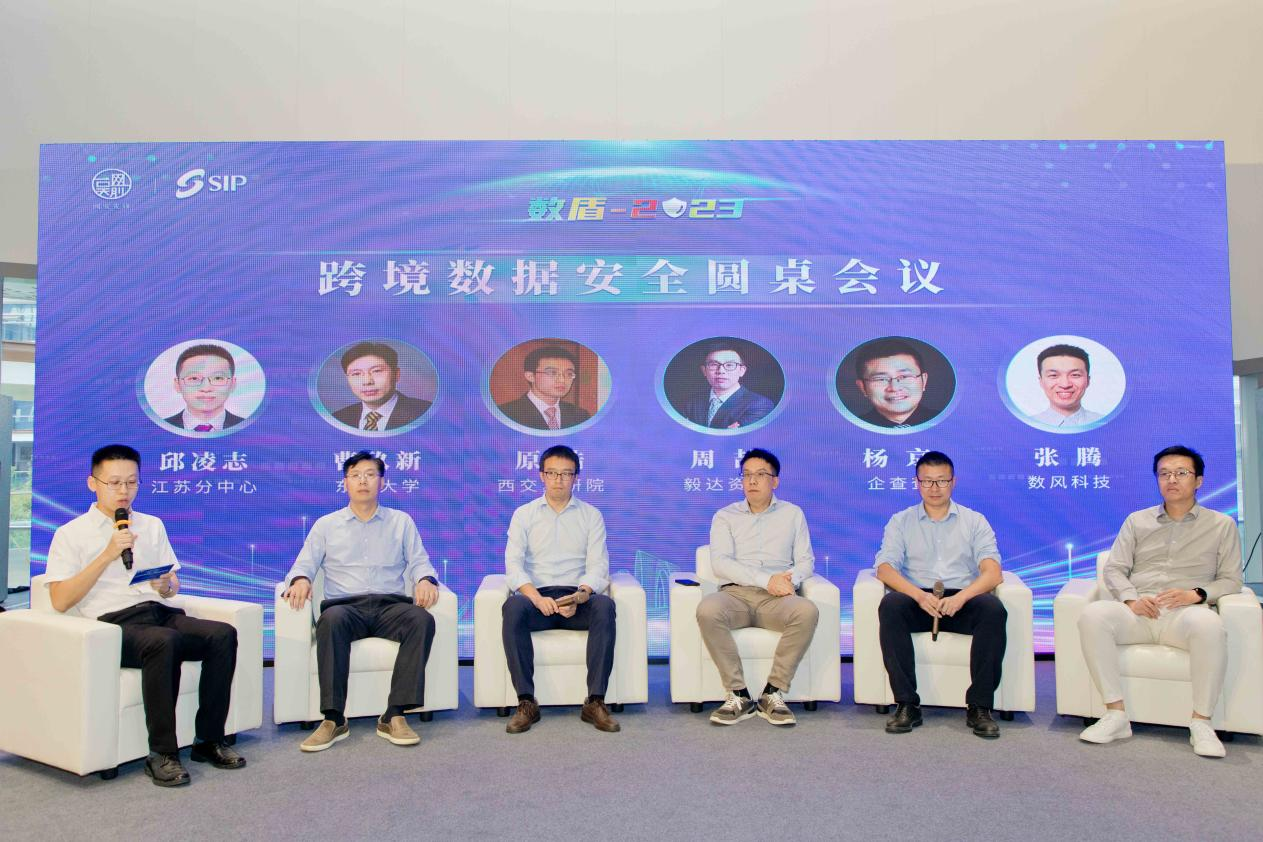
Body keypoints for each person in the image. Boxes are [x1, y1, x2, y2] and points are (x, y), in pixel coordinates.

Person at [45, 444, 243, 786]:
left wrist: (166, 585)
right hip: (112, 625)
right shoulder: (70, 533)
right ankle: (162, 754)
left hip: (158, 612)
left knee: (222, 634)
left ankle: (209, 740)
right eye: (114, 483)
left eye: (131, 482)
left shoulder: (152, 525)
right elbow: (60, 599)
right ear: (93, 483)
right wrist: (107, 554)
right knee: (163, 642)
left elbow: (172, 584)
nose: (124, 490)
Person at [1077, 445, 1242, 758]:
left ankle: (1201, 722)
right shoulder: (1137, 521)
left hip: (1184, 614)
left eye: (1181, 473)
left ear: (1199, 480)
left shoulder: (1221, 525)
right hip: (1140, 612)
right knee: (1093, 615)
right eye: (1164, 474)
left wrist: (1197, 594)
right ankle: (1115, 714)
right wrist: (1131, 600)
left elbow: (1231, 579)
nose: (1172, 480)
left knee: (1208, 624)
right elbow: (1115, 569)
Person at [282, 451, 440, 751]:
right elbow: (304, 564)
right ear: (345, 483)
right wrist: (300, 579)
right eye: (355, 475)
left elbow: (420, 561)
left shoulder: (401, 522)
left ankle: (394, 713)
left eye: (370, 475)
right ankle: (333, 718)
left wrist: (425, 580)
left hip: (389, 606)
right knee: (330, 621)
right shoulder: (326, 525)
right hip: (345, 608)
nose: (362, 481)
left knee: (422, 619)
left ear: (382, 482)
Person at [874, 450, 1007, 738]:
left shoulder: (974, 521)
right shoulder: (901, 521)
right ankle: (907, 704)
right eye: (927, 481)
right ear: (917, 483)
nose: (934, 488)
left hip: (961, 598)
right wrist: (919, 596)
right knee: (891, 605)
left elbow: (993, 573)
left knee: (993, 609)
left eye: (942, 481)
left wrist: (961, 598)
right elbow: (884, 568)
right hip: (918, 599)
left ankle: (980, 706)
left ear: (953, 482)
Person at [501, 444, 618, 733]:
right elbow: (513, 566)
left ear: (576, 477)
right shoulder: (524, 515)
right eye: (552, 473)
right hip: (537, 599)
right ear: (541, 475)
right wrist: (536, 598)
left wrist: (581, 595)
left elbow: (598, 565)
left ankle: (595, 701)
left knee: (604, 606)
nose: (559, 480)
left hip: (575, 598)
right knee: (513, 607)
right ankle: (526, 702)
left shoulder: (591, 515)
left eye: (566, 474)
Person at [697, 448, 817, 726]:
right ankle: (738, 694)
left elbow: (806, 561)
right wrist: (766, 580)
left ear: (775, 481)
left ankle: (772, 692)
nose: (752, 481)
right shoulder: (725, 516)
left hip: (778, 599)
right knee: (707, 610)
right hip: (735, 595)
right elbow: (721, 563)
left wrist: (788, 580)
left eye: (760, 475)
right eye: (746, 475)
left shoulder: (792, 514)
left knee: (807, 611)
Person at [331, 341, 432, 431]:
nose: (367, 381)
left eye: (376, 371)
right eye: (356, 374)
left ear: (396, 374)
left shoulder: (426, 413)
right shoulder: (338, 418)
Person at [680, 343, 775, 429]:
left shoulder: (760, 404)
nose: (721, 371)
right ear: (704, 370)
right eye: (713, 364)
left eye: (729, 365)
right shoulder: (691, 403)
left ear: (742, 371)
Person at [497, 346, 592, 430]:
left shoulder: (581, 416)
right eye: (552, 372)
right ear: (530, 376)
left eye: (569, 374)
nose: (562, 380)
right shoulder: (505, 414)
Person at [851, 338, 937, 428]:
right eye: (881, 379)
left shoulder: (946, 426)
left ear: (924, 380)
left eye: (904, 377)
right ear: (862, 387)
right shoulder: (850, 429)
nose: (894, 388)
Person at [164, 344, 245, 432]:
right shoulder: (157, 430)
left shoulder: (250, 430)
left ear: (232, 384)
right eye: (194, 378)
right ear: (177, 385)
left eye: (217, 378)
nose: (206, 388)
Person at [1029, 343, 1102, 427]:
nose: (1065, 385)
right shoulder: (1026, 426)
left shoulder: (1106, 424)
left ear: (1088, 381)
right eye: (1053, 375)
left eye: (1075, 375)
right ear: (1041, 382)